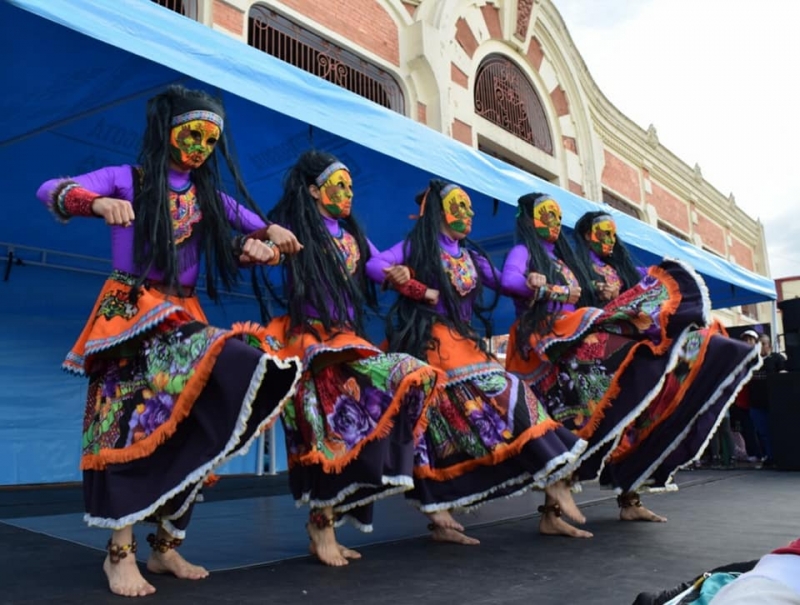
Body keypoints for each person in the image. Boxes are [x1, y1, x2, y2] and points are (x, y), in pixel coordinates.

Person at [35, 85, 303, 597]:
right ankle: (120, 554)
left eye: (211, 138)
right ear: (167, 130)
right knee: (125, 423)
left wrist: (265, 240)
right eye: (193, 133)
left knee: (199, 415)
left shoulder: (209, 198)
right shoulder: (126, 179)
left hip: (181, 313)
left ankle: (165, 546)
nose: (202, 146)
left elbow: (251, 225)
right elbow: (50, 189)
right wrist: (96, 203)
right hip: (130, 312)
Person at [502, 198, 761, 537]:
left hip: (600, 345)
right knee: (576, 424)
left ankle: (630, 498)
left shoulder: (615, 269)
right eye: (601, 232)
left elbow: (656, 290)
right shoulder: (570, 264)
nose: (608, 239)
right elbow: (514, 283)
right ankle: (551, 509)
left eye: (612, 232)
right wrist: (563, 289)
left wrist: (624, 292)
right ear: (584, 235)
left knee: (637, 415)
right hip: (570, 351)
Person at [367, 180, 587, 544]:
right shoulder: (416, 246)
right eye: (459, 206)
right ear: (438, 212)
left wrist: (540, 284)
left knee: (453, 427)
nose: (468, 214)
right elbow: (376, 264)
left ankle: (547, 478)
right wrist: (406, 281)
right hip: (430, 342)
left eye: (470, 208)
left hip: (464, 344)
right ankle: (437, 511)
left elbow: (508, 283)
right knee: (441, 424)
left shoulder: (472, 257)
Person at [253, 150, 441, 566]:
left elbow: (377, 266)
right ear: (315, 191)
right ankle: (322, 530)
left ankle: (331, 521)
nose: (349, 193)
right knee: (326, 439)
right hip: (311, 343)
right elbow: (270, 248)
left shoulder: (352, 234)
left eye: (352, 187)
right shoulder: (297, 228)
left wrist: (403, 278)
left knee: (407, 378)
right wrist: (261, 249)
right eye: (340, 185)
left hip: (348, 341)